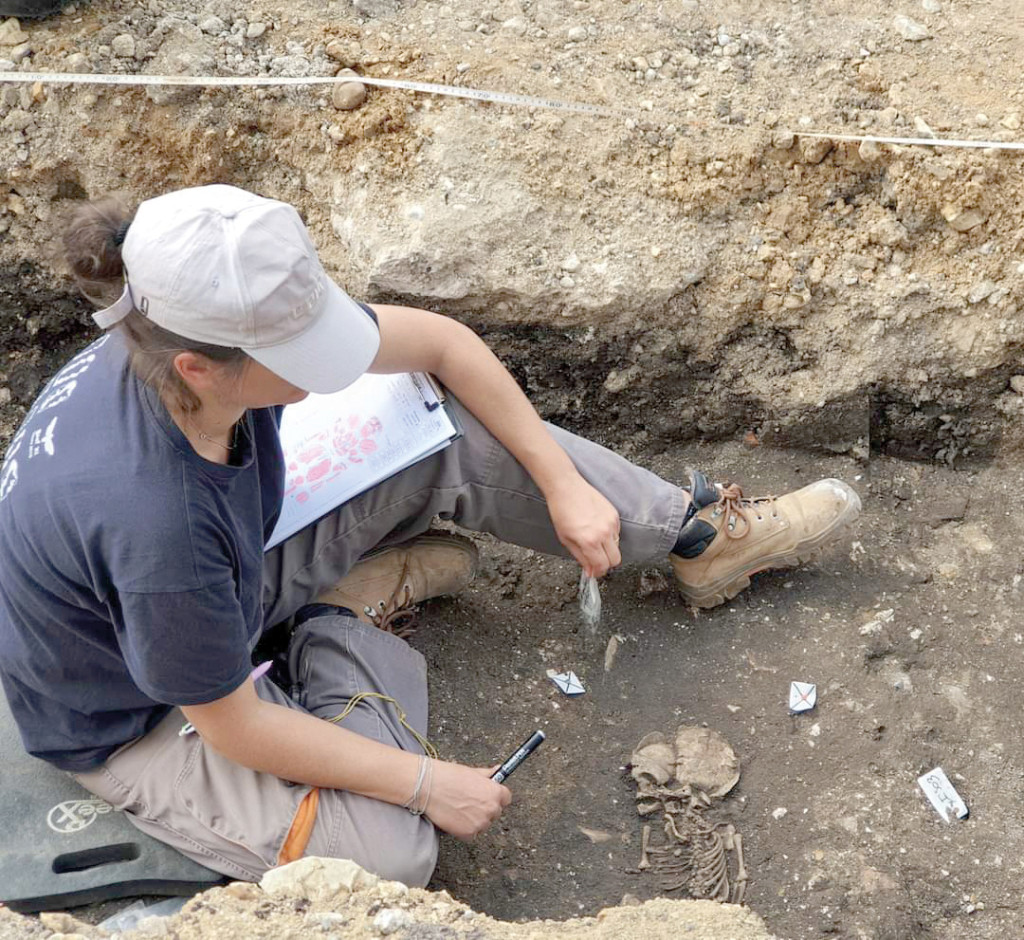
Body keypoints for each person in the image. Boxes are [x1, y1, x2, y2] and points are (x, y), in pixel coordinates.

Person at [0, 185, 860, 887]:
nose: (325, 370)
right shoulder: (155, 520)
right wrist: (428, 783)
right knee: (392, 853)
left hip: (217, 588)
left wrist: (566, 487)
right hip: (135, 714)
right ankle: (338, 619)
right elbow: (231, 726)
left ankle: (694, 533)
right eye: (298, 357)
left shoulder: (174, 330)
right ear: (200, 367)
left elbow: (440, 346)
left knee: (433, 418)